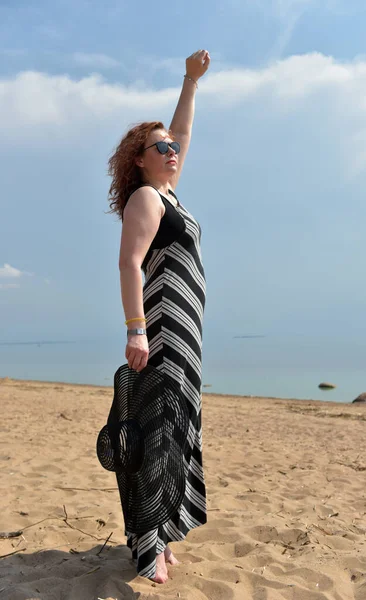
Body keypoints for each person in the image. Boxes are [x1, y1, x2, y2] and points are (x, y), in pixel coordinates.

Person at [107, 49, 211, 584]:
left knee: (176, 428)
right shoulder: (147, 198)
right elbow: (128, 263)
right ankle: (146, 542)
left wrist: (189, 83)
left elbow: (184, 133)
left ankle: (162, 532)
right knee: (158, 429)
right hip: (163, 329)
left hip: (186, 333)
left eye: (173, 146)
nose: (172, 150)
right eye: (161, 146)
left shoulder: (169, 190)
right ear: (140, 159)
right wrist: (136, 329)